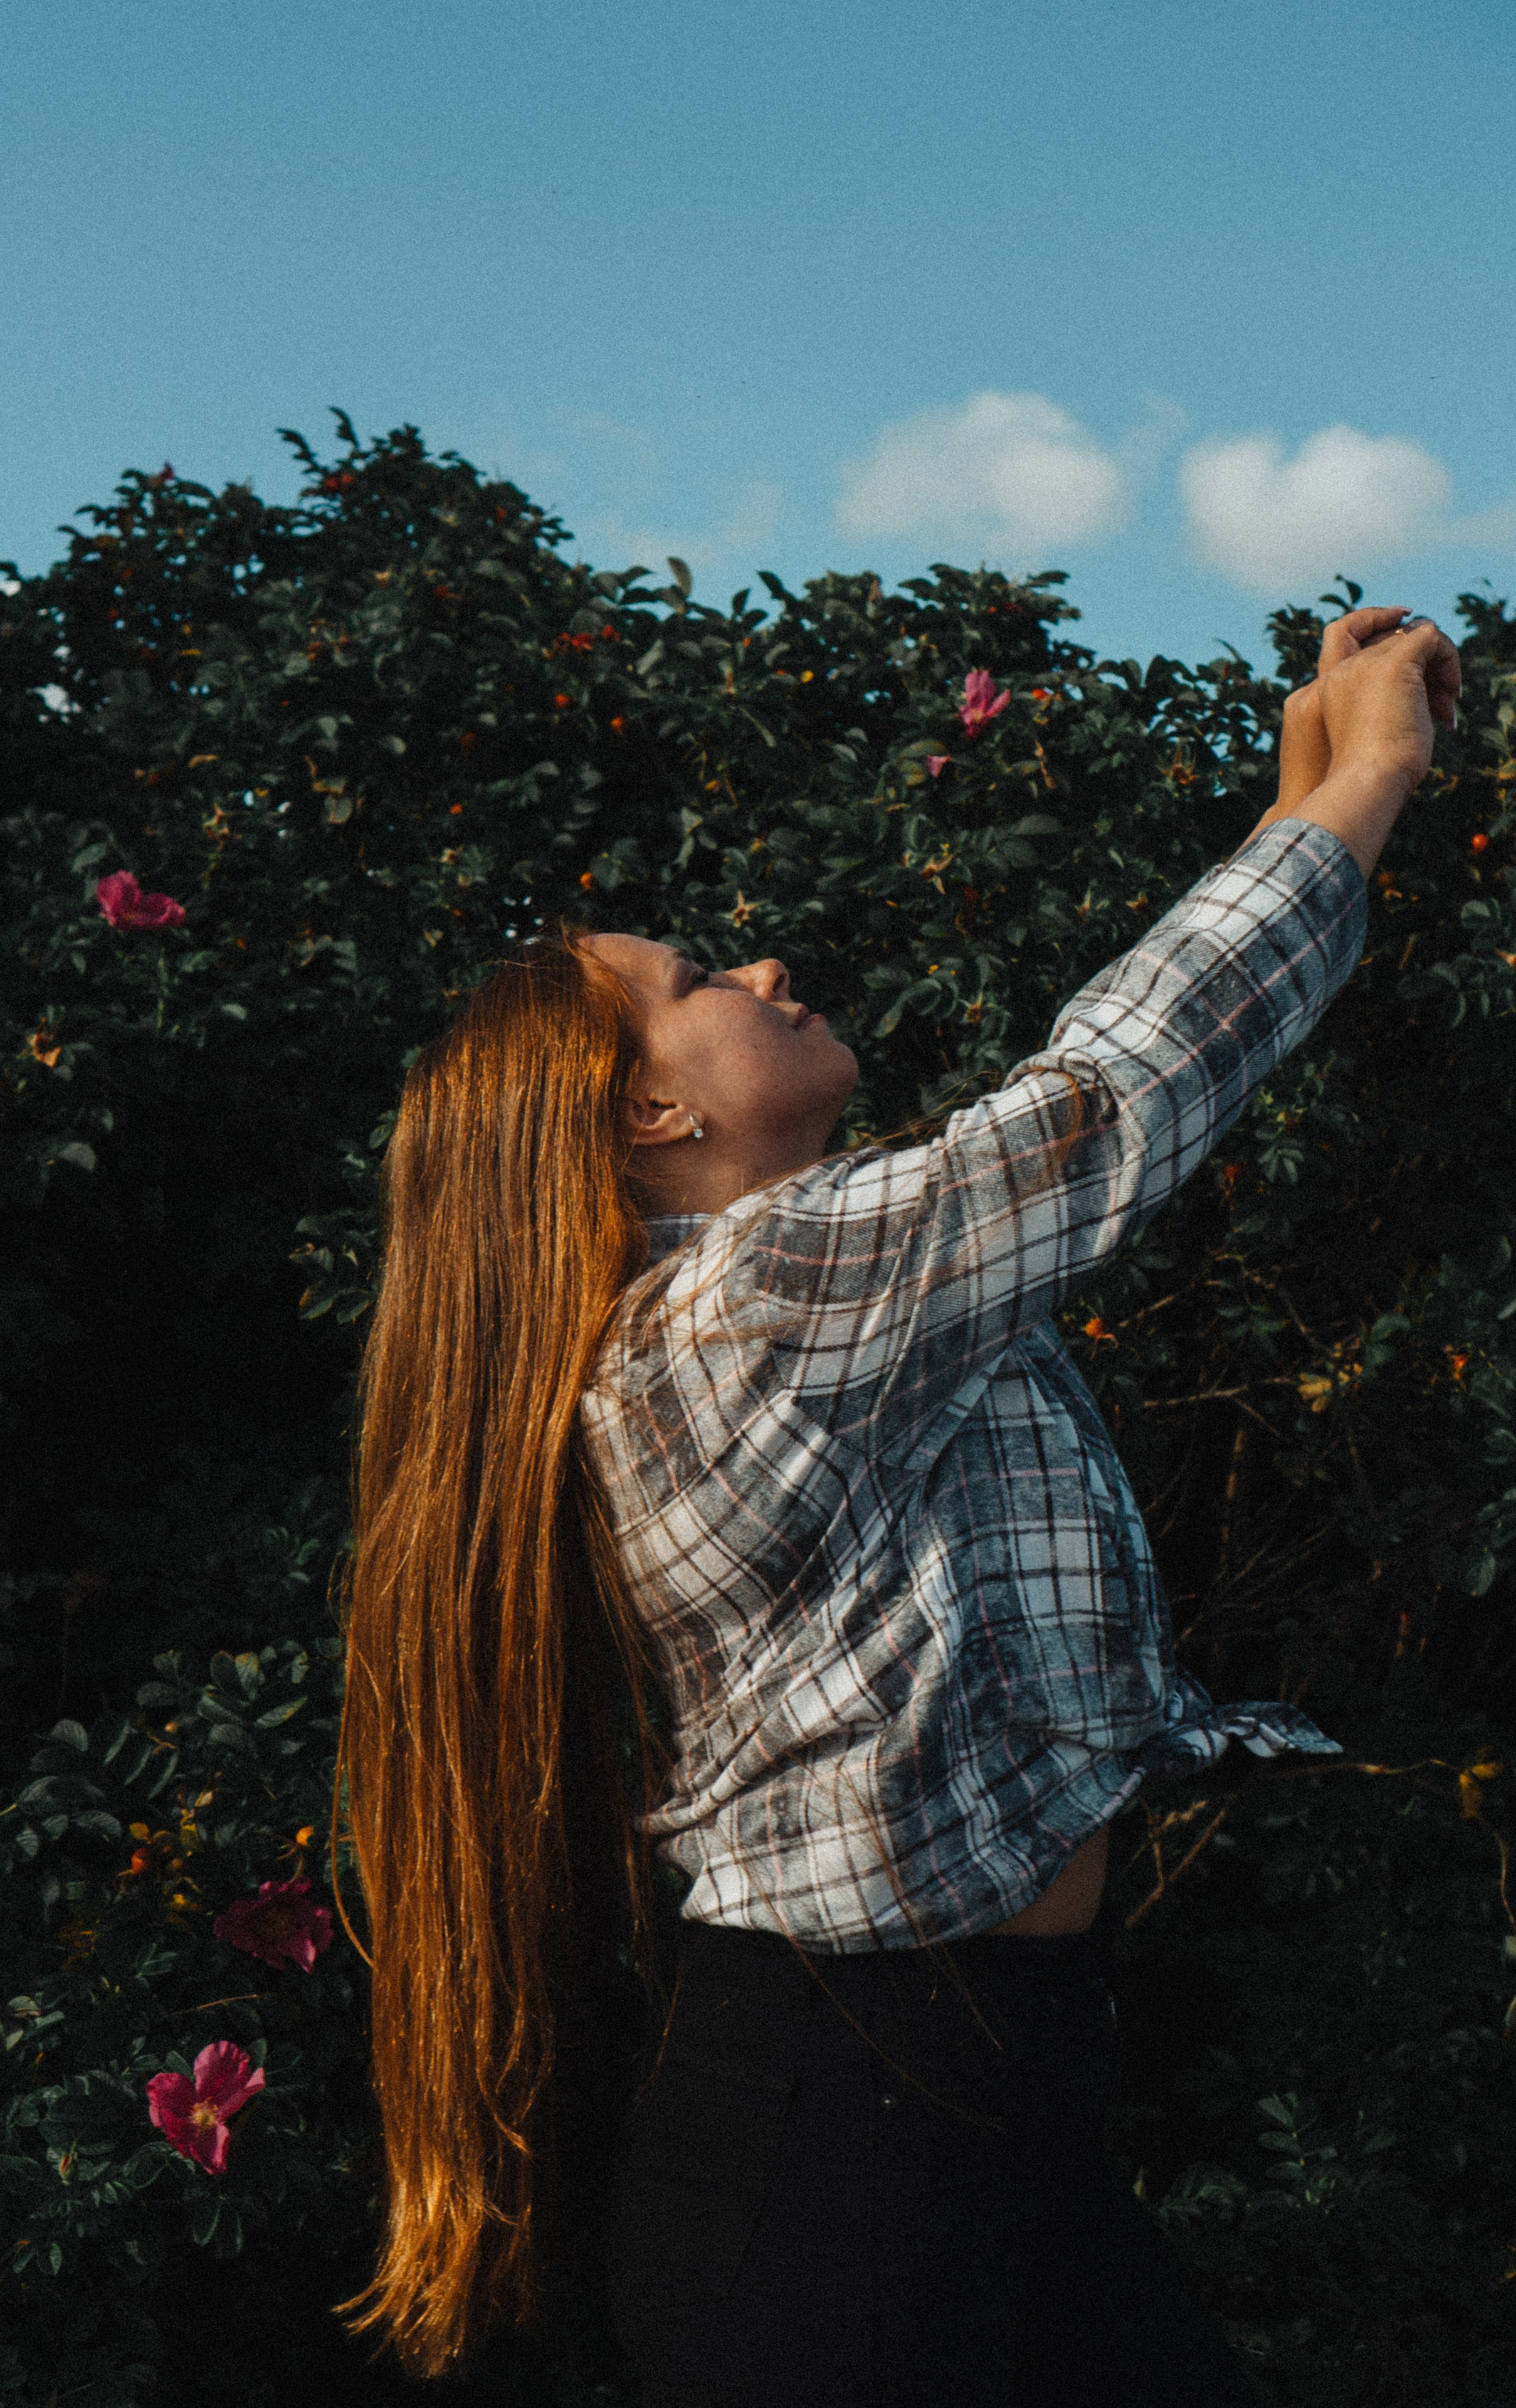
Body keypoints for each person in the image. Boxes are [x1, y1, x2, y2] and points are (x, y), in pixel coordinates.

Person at [335, 608, 1460, 2403]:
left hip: (960, 2091)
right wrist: (1377, 780)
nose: (765, 968)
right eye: (701, 981)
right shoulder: (753, 1307)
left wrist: (1301, 804)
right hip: (846, 2138)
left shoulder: (784, 1306)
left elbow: (1089, 1112)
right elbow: (1114, 1099)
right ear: (642, 1117)